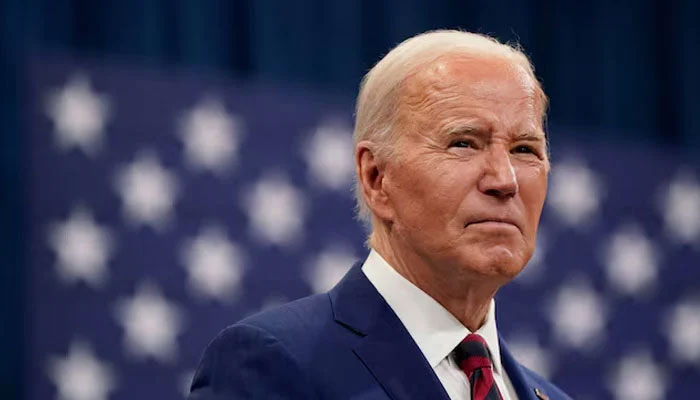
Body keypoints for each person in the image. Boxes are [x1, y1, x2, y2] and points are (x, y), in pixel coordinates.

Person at [188, 30, 572, 400]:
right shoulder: (272, 364)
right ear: (376, 178)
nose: (504, 181)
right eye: (463, 143)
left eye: (525, 149)